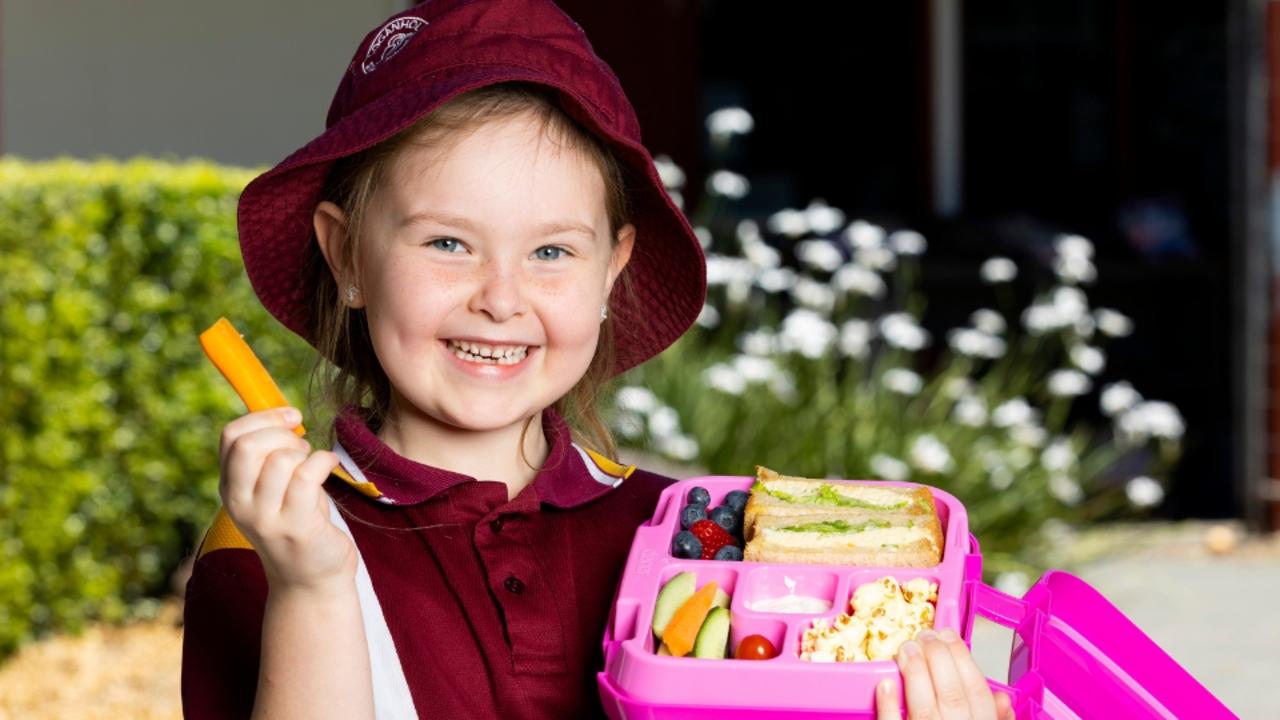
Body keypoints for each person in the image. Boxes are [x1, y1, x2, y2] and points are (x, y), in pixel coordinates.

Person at [181, 1, 1011, 718]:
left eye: (551, 252)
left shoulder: (689, 536)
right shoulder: (272, 549)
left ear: (611, 269)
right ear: (347, 258)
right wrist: (313, 591)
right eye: (446, 242)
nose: (502, 299)